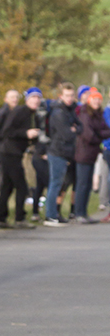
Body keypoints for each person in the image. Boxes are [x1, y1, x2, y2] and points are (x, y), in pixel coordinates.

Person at [0, 87, 43, 229]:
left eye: (38, 98)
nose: (36, 100)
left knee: (7, 187)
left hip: (15, 153)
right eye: (33, 97)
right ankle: (19, 218)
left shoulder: (33, 114)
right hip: (9, 153)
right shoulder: (20, 111)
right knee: (22, 187)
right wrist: (26, 133)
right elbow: (7, 131)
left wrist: (32, 142)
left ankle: (1, 219)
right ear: (27, 99)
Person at [44, 82, 81, 227]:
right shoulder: (59, 112)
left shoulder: (70, 110)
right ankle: (50, 215)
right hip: (57, 151)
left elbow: (80, 126)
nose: (69, 98)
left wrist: (75, 129)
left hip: (65, 152)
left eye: (71, 95)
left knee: (58, 184)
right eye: (66, 95)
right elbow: (67, 134)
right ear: (61, 96)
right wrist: (73, 130)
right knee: (55, 184)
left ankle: (55, 214)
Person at [74, 88, 110, 223]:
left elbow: (106, 130)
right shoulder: (85, 114)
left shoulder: (98, 115)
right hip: (84, 153)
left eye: (99, 100)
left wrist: (99, 135)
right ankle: (79, 213)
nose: (97, 102)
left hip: (92, 154)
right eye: (94, 99)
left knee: (88, 184)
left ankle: (84, 212)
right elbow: (88, 135)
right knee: (82, 184)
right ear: (89, 101)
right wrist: (99, 137)